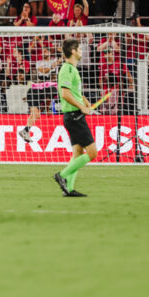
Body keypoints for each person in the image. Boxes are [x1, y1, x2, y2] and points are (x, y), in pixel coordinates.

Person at [54, 39, 96, 197]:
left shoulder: (72, 69)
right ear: (73, 51)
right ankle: (62, 176)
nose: (81, 51)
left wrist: (84, 100)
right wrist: (82, 107)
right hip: (74, 116)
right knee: (92, 153)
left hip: (74, 116)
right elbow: (65, 94)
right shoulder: (67, 69)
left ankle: (69, 189)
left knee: (78, 153)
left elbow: (73, 91)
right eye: (79, 48)